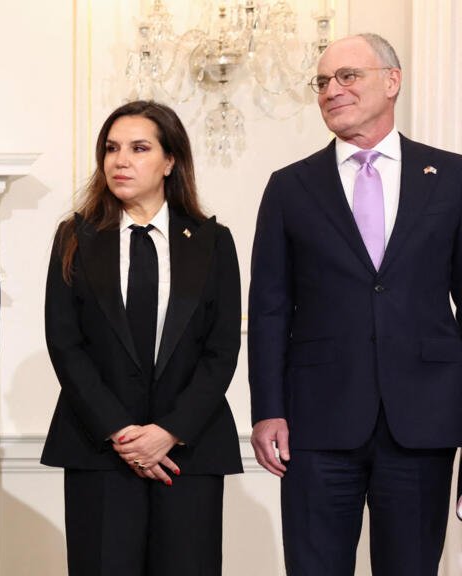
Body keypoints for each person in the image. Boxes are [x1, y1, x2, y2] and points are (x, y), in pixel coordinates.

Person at [249, 33, 462, 575]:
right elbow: (270, 307)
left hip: (423, 421)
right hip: (316, 423)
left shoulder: (452, 178)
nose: (331, 90)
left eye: (348, 76)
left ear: (392, 82)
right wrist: (268, 410)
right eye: (322, 82)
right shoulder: (290, 187)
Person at [41, 100, 243, 575]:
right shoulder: (74, 237)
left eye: (138, 148)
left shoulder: (214, 241)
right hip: (99, 450)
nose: (120, 161)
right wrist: (123, 433)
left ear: (170, 160)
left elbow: (221, 351)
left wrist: (169, 432)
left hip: (188, 452)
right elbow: (65, 345)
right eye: (111, 149)